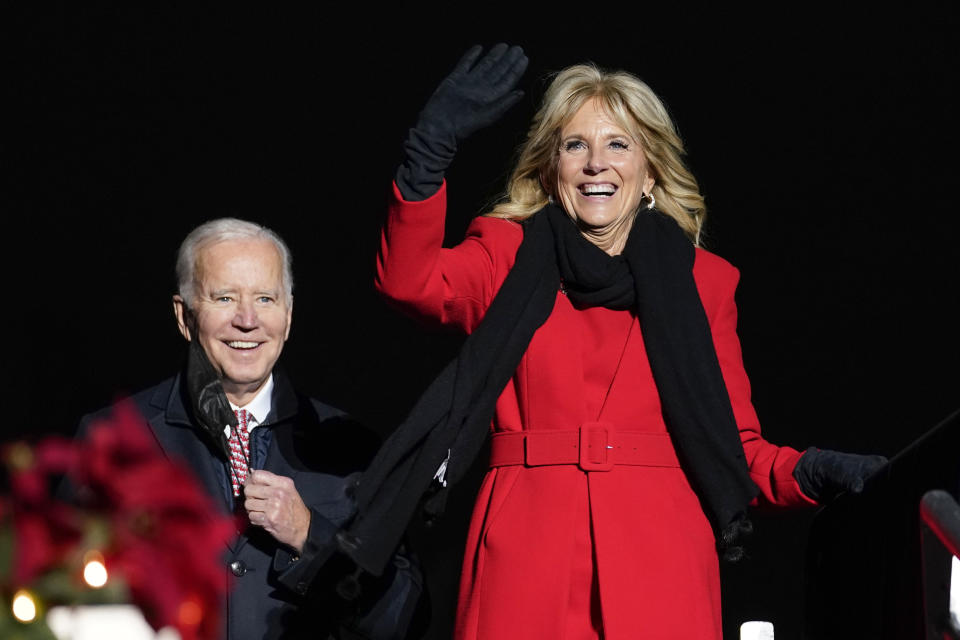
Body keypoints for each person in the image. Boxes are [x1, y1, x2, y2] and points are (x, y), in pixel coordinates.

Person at [336, 44, 887, 639]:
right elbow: (407, 281)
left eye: (618, 145)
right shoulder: (506, 257)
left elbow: (732, 450)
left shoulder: (704, 284)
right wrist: (428, 151)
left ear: (649, 169)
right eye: (576, 145)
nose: (596, 163)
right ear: (551, 170)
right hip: (523, 560)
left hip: (661, 564)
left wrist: (815, 472)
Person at [76, 218, 423, 640]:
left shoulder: (351, 448)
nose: (247, 320)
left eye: (264, 298)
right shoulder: (113, 438)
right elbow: (62, 599)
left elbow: (402, 620)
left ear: (288, 315)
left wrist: (310, 534)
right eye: (224, 297)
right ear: (185, 316)